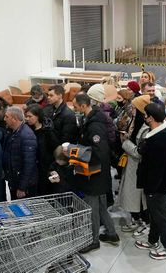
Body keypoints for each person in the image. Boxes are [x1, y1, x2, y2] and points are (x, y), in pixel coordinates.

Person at [70, 93, 120, 253]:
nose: (74, 109)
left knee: (93, 207)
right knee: (101, 206)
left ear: (83, 106)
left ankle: (93, 240)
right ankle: (112, 233)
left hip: (95, 172)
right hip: (100, 171)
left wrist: (74, 152)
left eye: (76, 106)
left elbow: (99, 151)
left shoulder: (94, 125)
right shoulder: (92, 118)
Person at [134, 103, 166, 260]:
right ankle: (153, 241)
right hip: (155, 184)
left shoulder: (161, 138)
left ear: (151, 118)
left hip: (157, 186)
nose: (144, 117)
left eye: (145, 115)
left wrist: (151, 189)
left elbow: (157, 169)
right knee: (154, 215)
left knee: (161, 216)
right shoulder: (161, 131)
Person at [118, 95, 151, 235]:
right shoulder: (134, 123)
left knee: (139, 198)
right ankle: (136, 220)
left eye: (134, 108)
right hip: (131, 166)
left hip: (138, 168)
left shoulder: (146, 129)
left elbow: (139, 153)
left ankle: (145, 223)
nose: (131, 110)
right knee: (132, 197)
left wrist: (125, 142)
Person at [3, 106, 38, 199]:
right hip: (15, 180)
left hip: (24, 185)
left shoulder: (27, 135)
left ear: (14, 119)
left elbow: (29, 164)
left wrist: (22, 187)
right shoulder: (13, 132)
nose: (4, 119)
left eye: (6, 117)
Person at [24, 104, 57, 196]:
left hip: (44, 168)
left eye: (30, 116)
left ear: (38, 116)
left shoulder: (47, 131)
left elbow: (54, 149)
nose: (27, 119)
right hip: (31, 168)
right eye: (26, 116)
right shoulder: (26, 129)